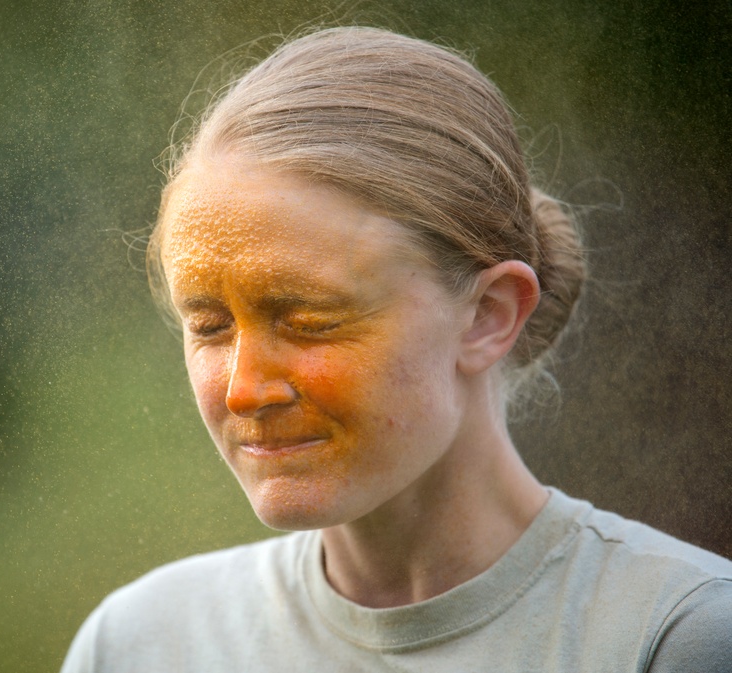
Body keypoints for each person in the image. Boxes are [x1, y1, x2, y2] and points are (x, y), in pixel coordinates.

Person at [62, 26, 732, 672]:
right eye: (210, 325)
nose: (243, 389)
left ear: (486, 316)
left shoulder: (677, 636)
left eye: (308, 319)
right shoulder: (141, 644)